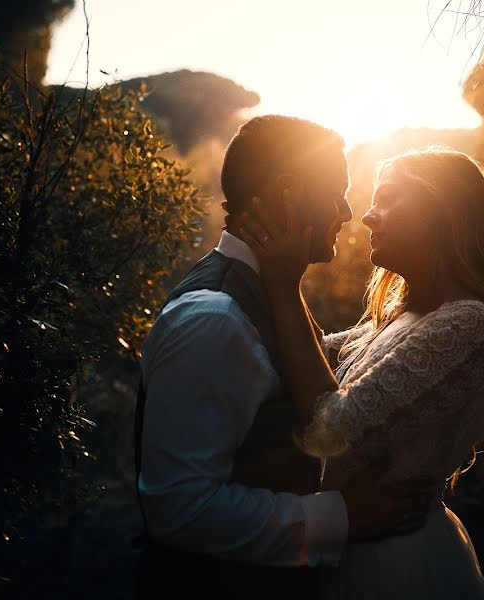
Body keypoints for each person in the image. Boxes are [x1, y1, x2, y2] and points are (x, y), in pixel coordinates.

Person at [134, 115, 433, 599]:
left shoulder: (271, 294)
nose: (346, 212)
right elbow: (179, 509)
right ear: (289, 193)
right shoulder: (214, 318)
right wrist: (343, 516)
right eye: (338, 193)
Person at [235, 145, 484, 599]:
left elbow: (331, 430)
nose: (367, 216)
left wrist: (284, 286)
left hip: (399, 567)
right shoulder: (386, 322)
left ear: (440, 211)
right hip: (348, 552)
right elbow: (298, 362)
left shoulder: (469, 325)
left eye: (387, 198)